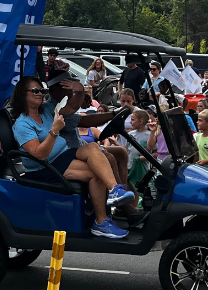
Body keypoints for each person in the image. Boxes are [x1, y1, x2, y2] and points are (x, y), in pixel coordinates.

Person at [12, 75, 133, 239]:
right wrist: (54, 131)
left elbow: (71, 107)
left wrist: (79, 91)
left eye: (42, 90)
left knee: (92, 147)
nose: (40, 93)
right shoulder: (22, 124)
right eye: (35, 91)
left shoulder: (46, 110)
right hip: (44, 166)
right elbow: (39, 154)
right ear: (22, 94)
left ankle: (114, 190)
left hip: (62, 154)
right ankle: (101, 221)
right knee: (95, 172)